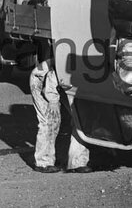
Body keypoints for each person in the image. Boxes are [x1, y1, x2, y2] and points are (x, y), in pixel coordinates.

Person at [30, 40, 92, 174]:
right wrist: (52, 101)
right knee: (50, 121)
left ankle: (77, 162)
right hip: (43, 81)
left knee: (81, 120)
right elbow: (53, 78)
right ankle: (43, 162)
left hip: (64, 84)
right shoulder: (74, 61)